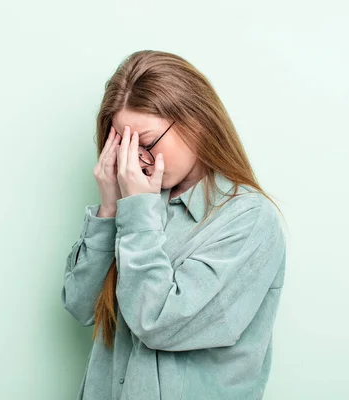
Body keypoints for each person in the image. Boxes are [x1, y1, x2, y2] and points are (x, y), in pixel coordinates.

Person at [61, 49, 288, 400]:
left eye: (147, 143)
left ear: (195, 123)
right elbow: (81, 307)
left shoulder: (249, 220)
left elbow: (159, 322)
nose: (135, 159)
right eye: (124, 145)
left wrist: (136, 213)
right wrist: (109, 209)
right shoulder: (138, 206)